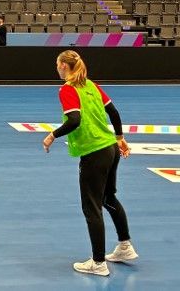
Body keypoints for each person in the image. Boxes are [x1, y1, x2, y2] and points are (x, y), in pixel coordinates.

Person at [42, 50, 136, 277]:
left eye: (58, 64)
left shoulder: (67, 89)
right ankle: (125, 247)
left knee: (91, 207)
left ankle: (98, 262)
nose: (56, 67)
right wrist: (120, 139)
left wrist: (52, 135)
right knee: (108, 198)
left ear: (65, 66)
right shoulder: (91, 85)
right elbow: (113, 112)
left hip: (94, 153)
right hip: (109, 148)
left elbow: (74, 120)